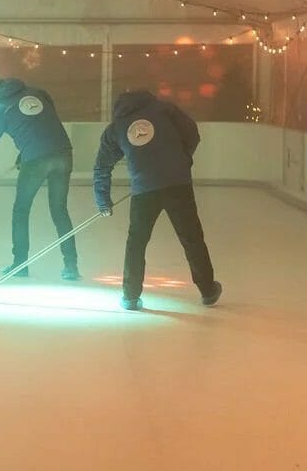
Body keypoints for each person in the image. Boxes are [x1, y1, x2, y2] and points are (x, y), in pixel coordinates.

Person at [92, 90, 222, 310]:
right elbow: (192, 133)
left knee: (136, 243)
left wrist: (103, 200)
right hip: (177, 182)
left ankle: (130, 296)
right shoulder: (164, 109)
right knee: (191, 237)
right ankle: (208, 291)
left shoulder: (117, 127)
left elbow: (102, 165)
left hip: (144, 189)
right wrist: (183, 159)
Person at [0, 78, 79, 280]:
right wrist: (24, 152)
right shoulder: (37, 92)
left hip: (36, 160)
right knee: (60, 210)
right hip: (63, 153)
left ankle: (20, 264)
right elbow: (42, 124)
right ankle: (71, 266)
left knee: (21, 210)